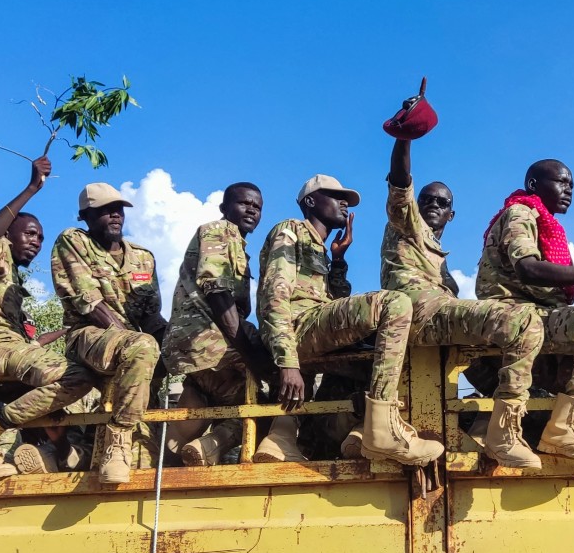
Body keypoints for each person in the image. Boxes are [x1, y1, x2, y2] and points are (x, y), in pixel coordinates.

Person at [380, 118, 544, 469]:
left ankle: (499, 417)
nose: (433, 205)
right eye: (427, 199)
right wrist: (405, 137)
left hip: (436, 318)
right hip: (417, 311)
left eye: (442, 202)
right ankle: (504, 433)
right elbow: (399, 184)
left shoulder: (443, 269)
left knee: (490, 355)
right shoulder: (405, 223)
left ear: (451, 214)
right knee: (525, 322)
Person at [257, 174, 439, 466]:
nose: (344, 203)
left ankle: (350, 430)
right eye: (334, 196)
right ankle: (383, 430)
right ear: (311, 201)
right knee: (396, 302)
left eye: (346, 199)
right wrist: (288, 362)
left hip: (312, 328)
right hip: (297, 329)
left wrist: (338, 261)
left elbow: (331, 305)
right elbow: (274, 296)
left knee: (390, 348)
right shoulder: (291, 230)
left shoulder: (318, 248)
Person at [0, 158, 94, 479]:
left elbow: (29, 342)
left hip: (0, 350)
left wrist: (68, 328)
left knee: (57, 408)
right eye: (29, 234)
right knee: (76, 377)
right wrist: (32, 189)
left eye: (40, 238)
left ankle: (50, 453)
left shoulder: (9, 278)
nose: (36, 242)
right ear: (9, 235)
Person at [475, 159, 574, 462]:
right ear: (534, 184)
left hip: (537, 313)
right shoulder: (520, 213)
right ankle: (565, 428)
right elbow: (529, 269)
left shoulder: (543, 222)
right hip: (518, 316)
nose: (568, 190)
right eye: (561, 182)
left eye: (571, 185)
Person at [51, 182, 165, 483]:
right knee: (141, 348)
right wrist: (136, 341)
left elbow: (151, 315)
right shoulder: (73, 241)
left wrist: (173, 345)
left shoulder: (143, 257)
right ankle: (118, 440)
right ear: (85, 216)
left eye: (118, 209)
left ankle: (110, 455)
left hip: (135, 346)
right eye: (104, 211)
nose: (114, 215)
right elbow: (89, 303)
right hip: (88, 336)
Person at [162, 183, 272, 465]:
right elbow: (218, 292)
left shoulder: (238, 245)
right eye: (244, 203)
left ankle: (178, 452)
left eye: (257, 207)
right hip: (207, 342)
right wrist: (250, 355)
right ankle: (210, 444)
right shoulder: (219, 231)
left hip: (203, 348)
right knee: (266, 409)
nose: (251, 210)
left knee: (213, 398)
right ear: (224, 208)